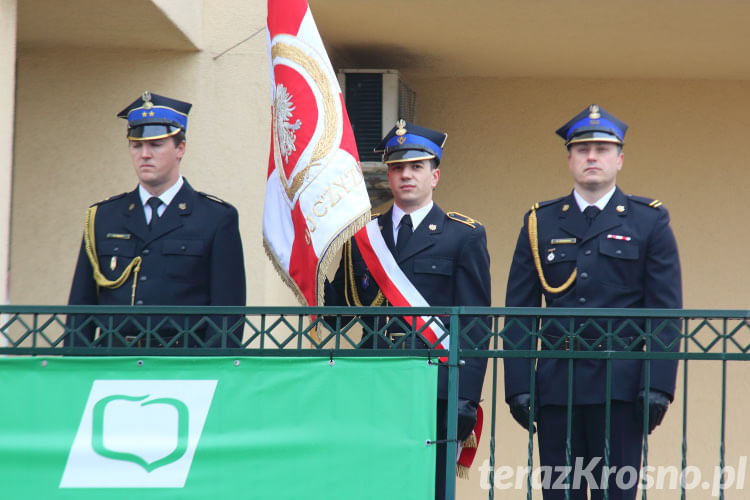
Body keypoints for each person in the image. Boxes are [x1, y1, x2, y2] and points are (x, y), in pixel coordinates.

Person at [503, 104, 682, 499]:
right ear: (569, 159)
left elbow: (665, 312)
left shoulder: (648, 221)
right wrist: (517, 385)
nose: (592, 157)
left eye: (602, 149)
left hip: (620, 385)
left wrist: (658, 386)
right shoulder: (540, 222)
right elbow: (519, 312)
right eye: (582, 149)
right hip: (555, 384)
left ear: (619, 159)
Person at [325, 120, 492, 500]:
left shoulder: (463, 235)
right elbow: (339, 316)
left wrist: (465, 396)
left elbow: (475, 325)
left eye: (416, 167)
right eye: (397, 167)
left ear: (435, 176)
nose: (406, 175)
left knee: (431, 488)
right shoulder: (363, 236)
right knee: (374, 487)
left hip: (435, 386)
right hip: (374, 384)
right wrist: (312, 259)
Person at [66, 91, 246, 348]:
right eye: (136, 145)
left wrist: (212, 375)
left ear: (180, 148)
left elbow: (227, 313)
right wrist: (74, 372)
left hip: (182, 368)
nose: (145, 154)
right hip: (111, 364)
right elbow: (80, 308)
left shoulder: (215, 218)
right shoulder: (103, 217)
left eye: (156, 145)